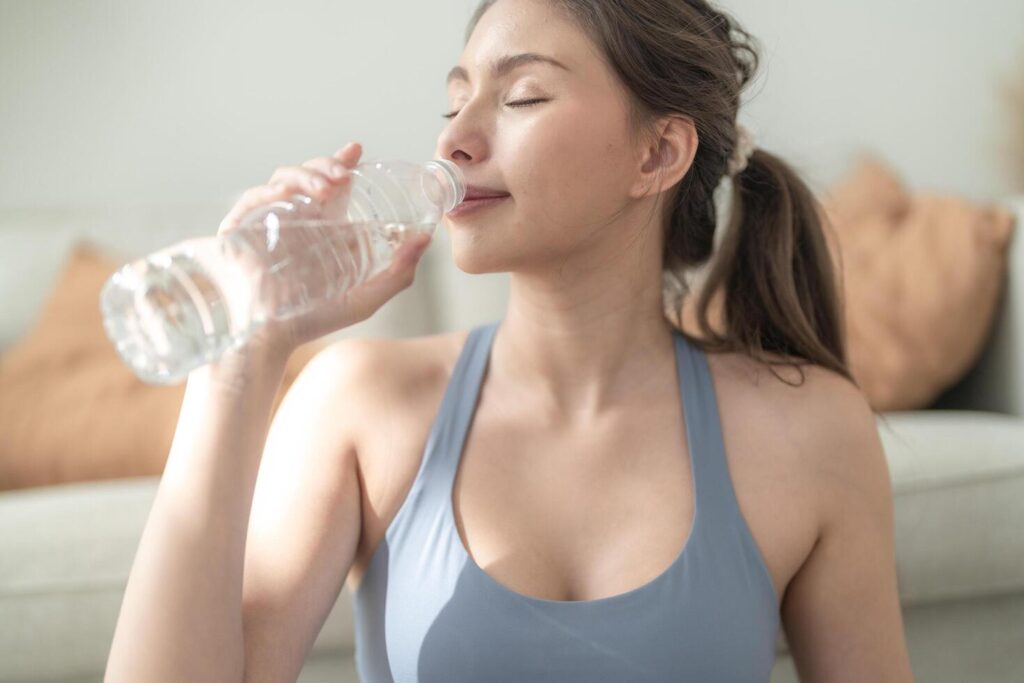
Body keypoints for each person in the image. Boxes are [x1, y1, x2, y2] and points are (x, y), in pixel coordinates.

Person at [106, 0, 915, 681]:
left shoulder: (808, 430)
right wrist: (240, 359)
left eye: (522, 96)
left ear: (658, 152)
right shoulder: (361, 403)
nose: (455, 140)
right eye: (454, 102)